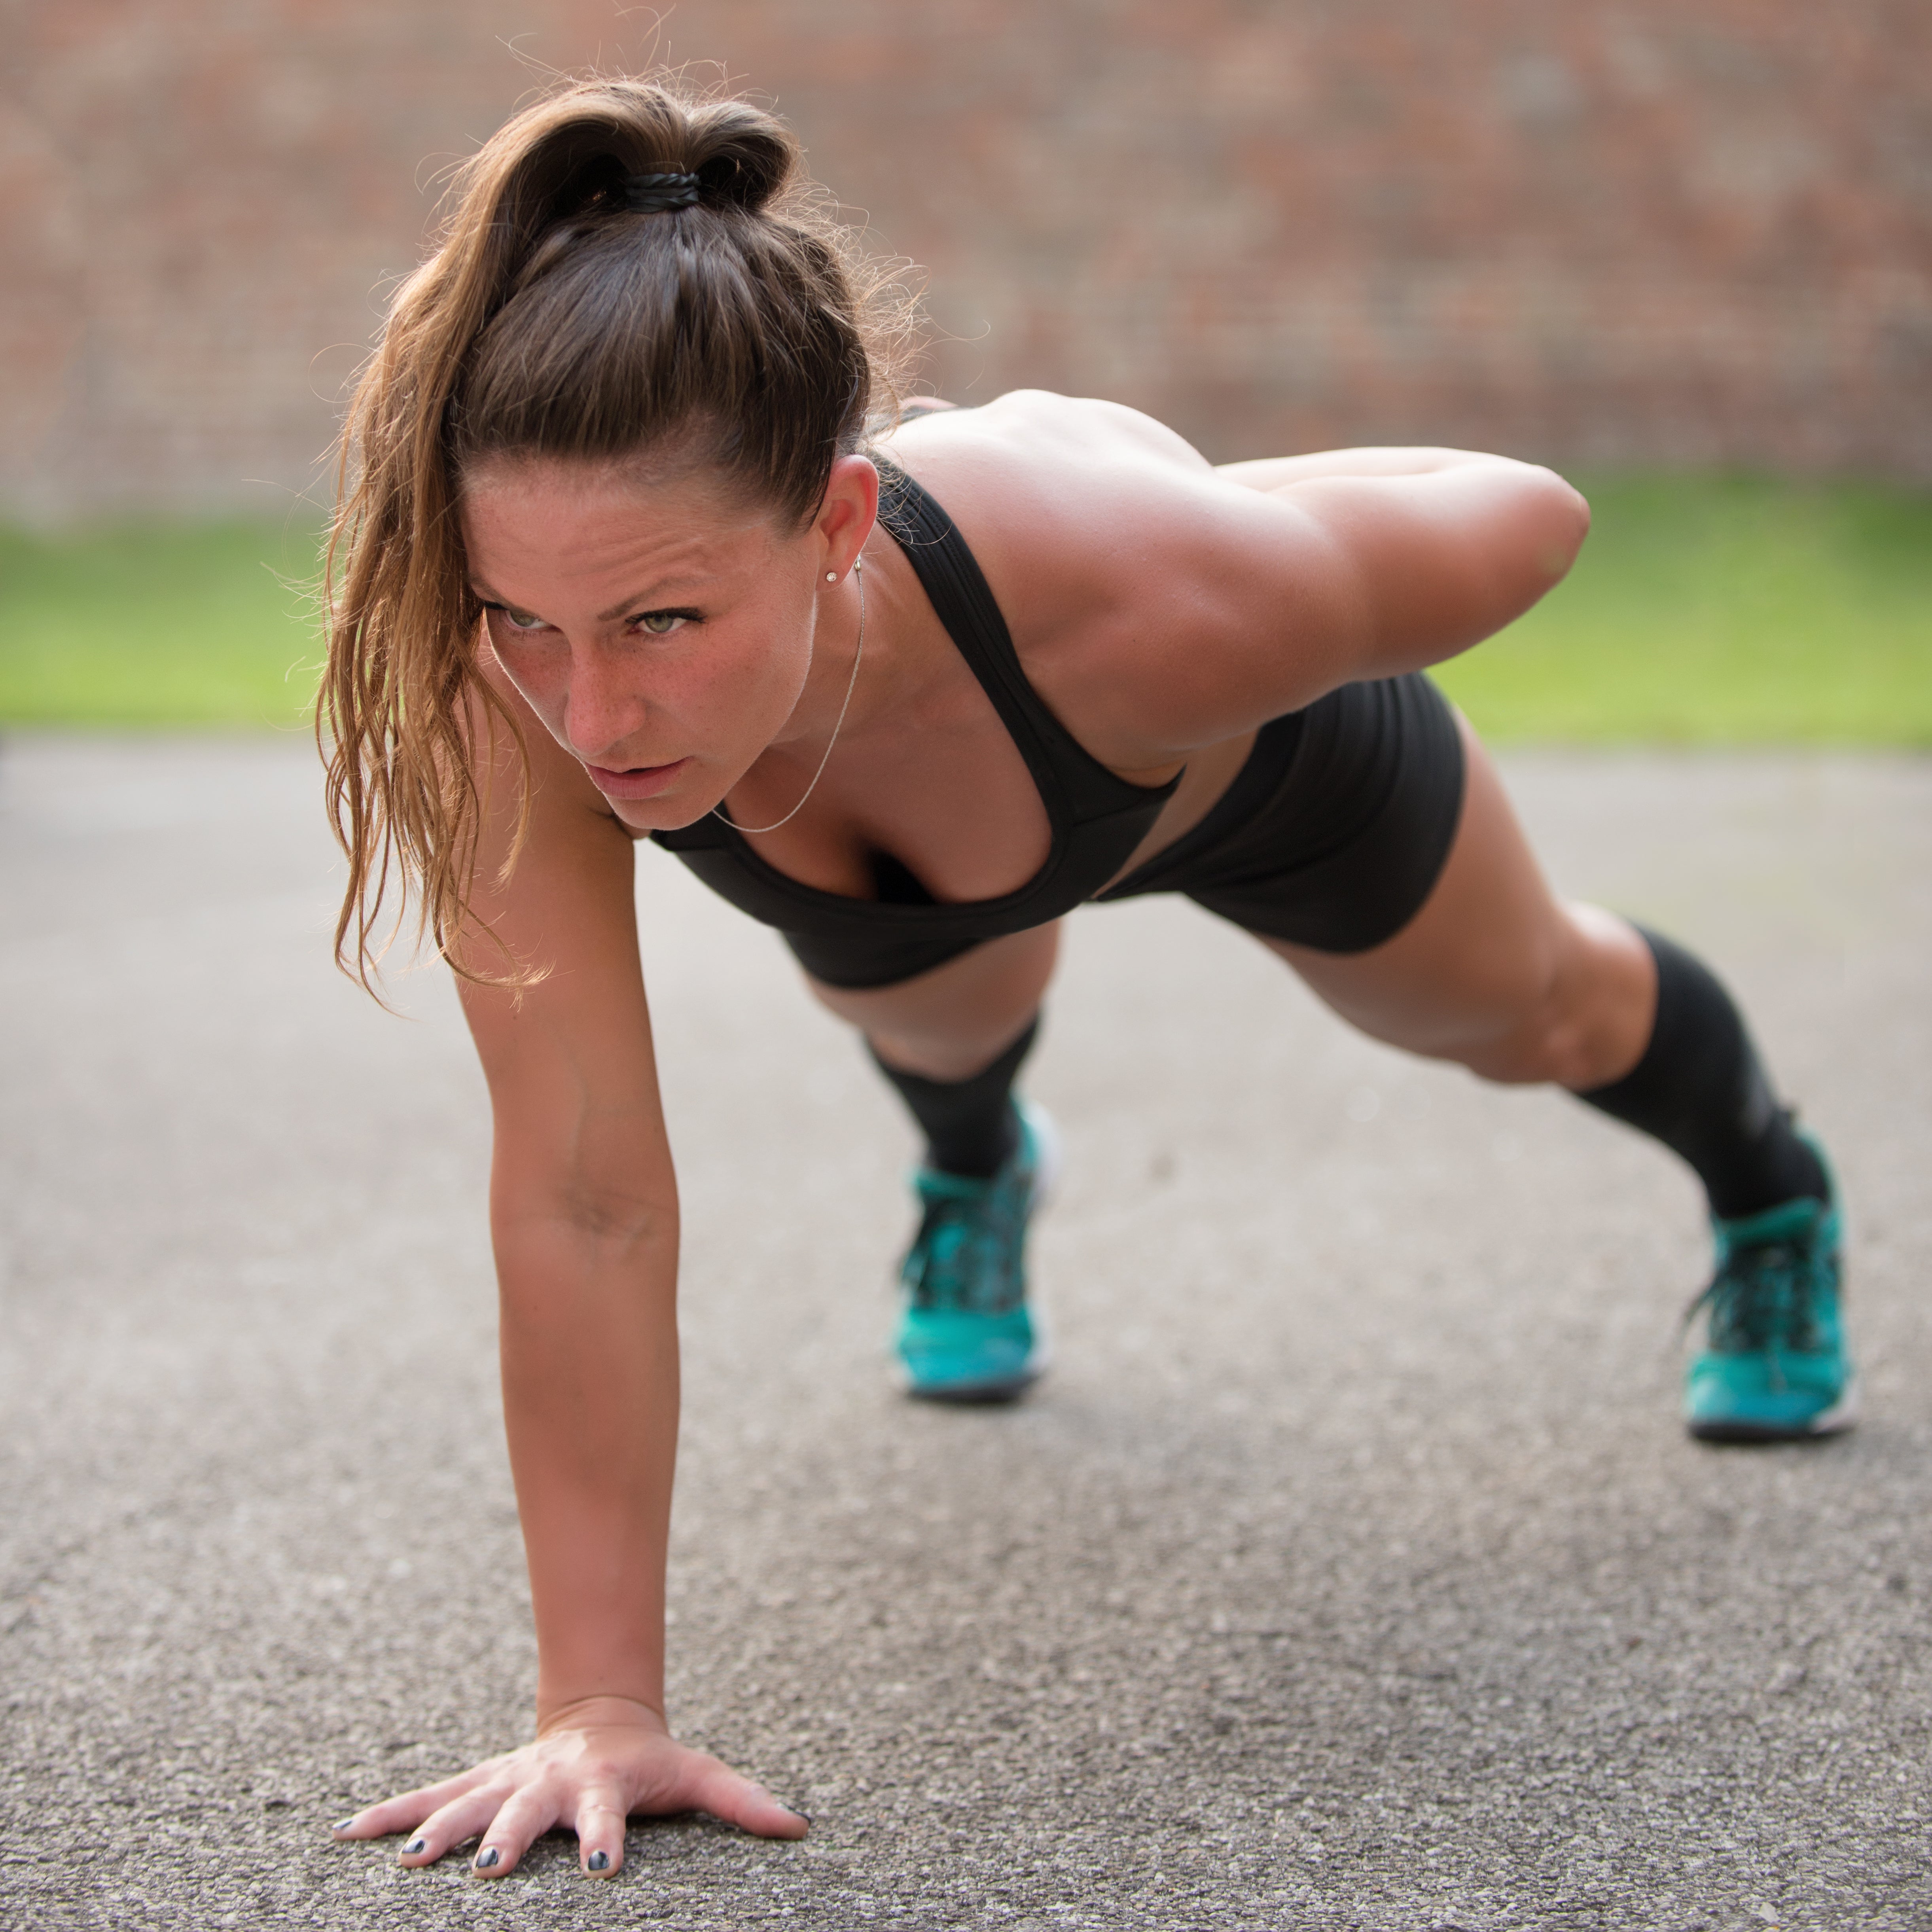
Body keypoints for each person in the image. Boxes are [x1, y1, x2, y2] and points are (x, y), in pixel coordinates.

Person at [318, 76, 1852, 1881]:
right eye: (530, 620)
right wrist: (599, 1707)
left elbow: (1534, 510)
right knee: (932, 1009)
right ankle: (980, 1171)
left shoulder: (1161, 586)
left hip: (1235, 761)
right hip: (888, 845)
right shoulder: (513, 693)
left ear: (833, 521)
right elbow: (583, 1192)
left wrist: (1212, 509)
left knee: (1528, 1013)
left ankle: (1771, 1190)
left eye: (663, 620)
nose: (593, 717)